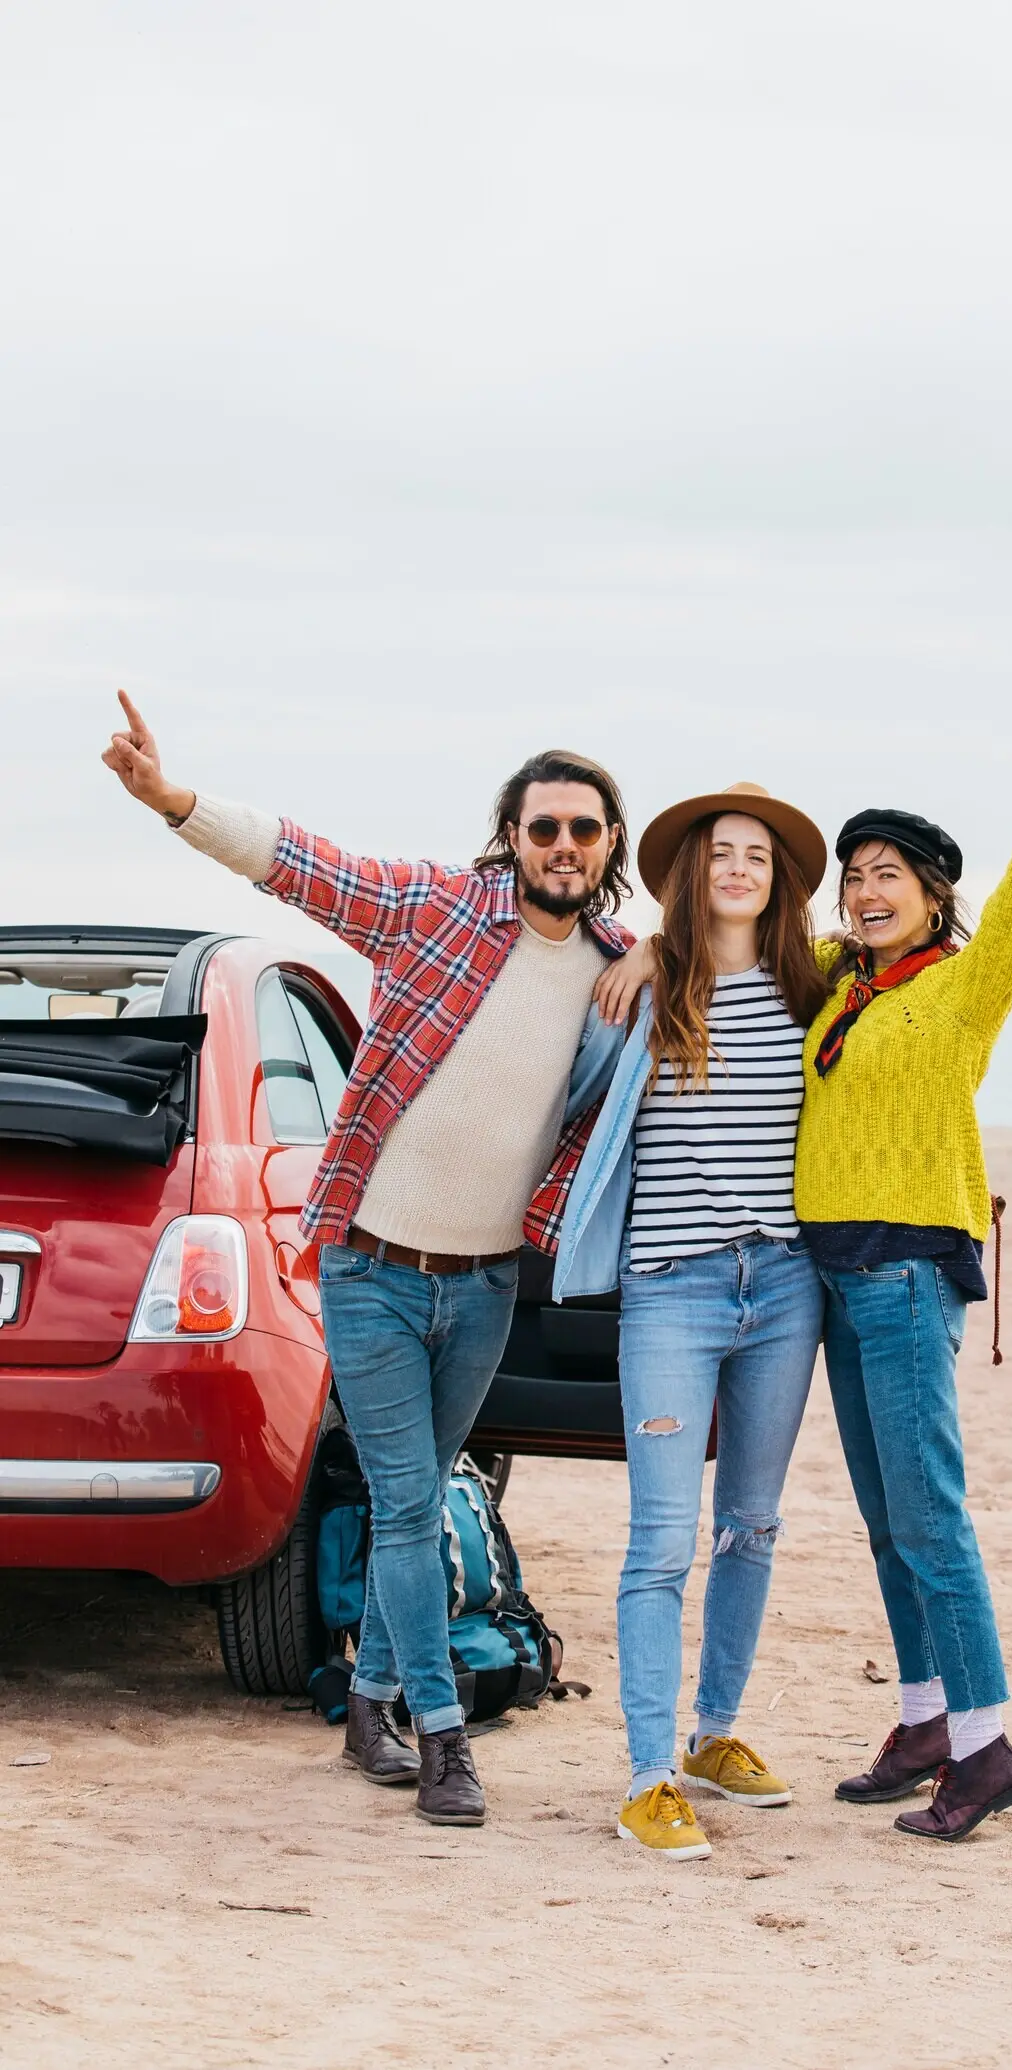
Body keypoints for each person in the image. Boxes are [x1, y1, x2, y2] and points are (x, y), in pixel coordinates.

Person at [101, 692, 632, 1826]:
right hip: (373, 1270)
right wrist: (175, 801)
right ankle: (441, 1738)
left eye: (585, 832)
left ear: (609, 848)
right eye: (545, 829)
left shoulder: (616, 972)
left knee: (424, 1495)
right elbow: (305, 865)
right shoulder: (438, 910)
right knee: (403, 1506)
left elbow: (704, 1018)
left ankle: (369, 1700)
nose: (565, 849)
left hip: (486, 1283)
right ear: (513, 838)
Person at [792, 667, 1012, 1841]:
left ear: (935, 896)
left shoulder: (959, 989)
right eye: (853, 876)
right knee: (888, 1521)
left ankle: (985, 1746)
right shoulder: (838, 984)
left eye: (889, 875)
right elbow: (742, 945)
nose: (865, 889)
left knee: (932, 1516)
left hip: (901, 1275)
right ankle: (927, 1718)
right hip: (830, 1277)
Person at [553, 782, 831, 1861]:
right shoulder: (644, 985)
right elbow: (564, 1095)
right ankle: (647, 1774)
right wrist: (624, 962)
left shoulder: (817, 988)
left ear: (779, 879)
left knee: (752, 1525)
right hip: (672, 1289)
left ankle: (716, 1736)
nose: (738, 867)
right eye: (721, 851)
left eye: (757, 854)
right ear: (691, 871)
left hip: (786, 1288)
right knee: (661, 1540)